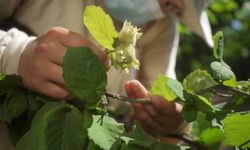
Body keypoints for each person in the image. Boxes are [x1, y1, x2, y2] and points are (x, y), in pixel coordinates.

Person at [0, 0, 213, 148]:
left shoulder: (161, 28)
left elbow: (160, 98)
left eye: (171, 5)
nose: (158, 6)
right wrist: (16, 54)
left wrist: (171, 124)